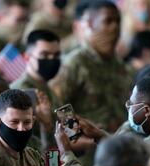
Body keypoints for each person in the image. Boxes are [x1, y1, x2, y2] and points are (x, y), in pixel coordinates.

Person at [53, 0, 133, 133]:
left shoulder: (123, 67)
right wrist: (75, 135)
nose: (114, 27)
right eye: (108, 21)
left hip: (118, 144)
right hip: (86, 147)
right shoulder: (75, 63)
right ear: (90, 24)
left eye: (117, 21)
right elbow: (57, 105)